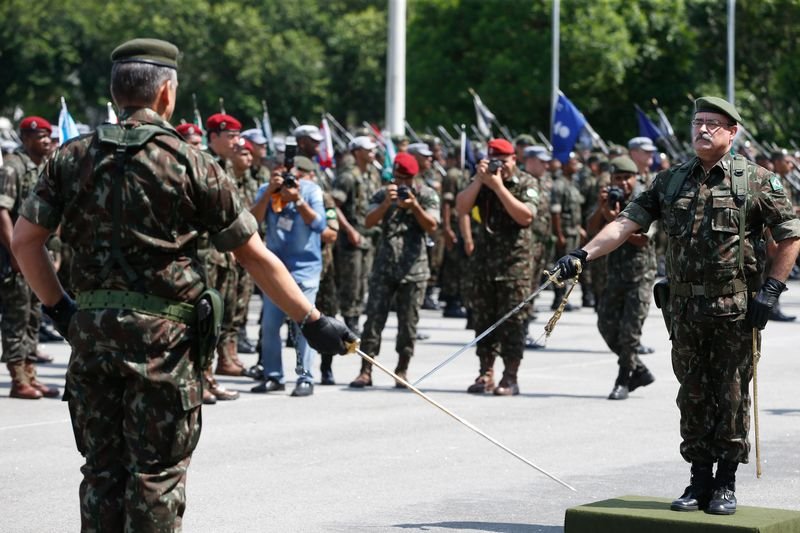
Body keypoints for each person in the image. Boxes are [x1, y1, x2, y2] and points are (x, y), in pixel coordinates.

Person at [11, 38, 355, 530]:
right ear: (166, 93)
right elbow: (254, 256)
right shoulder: (192, 163)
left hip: (92, 340)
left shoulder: (71, 157)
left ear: (116, 93)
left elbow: (26, 242)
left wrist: (61, 310)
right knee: (155, 477)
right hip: (165, 348)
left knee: (102, 474)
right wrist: (313, 320)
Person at [555, 96, 800, 515]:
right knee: (693, 394)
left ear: (732, 131)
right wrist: (583, 254)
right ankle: (698, 479)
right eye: (698, 122)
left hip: (736, 310)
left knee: (732, 393)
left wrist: (772, 289)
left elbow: (791, 235)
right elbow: (624, 224)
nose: (702, 130)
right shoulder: (670, 181)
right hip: (684, 309)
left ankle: (725, 482)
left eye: (712, 124)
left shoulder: (755, 180)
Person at [348, 152, 440, 388]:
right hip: (384, 268)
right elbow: (367, 222)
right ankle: (366, 370)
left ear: (414, 177)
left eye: (405, 179)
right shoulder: (382, 194)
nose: (401, 184)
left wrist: (414, 206)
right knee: (373, 322)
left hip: (414, 269)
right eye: (397, 178)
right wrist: (387, 204)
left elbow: (432, 226)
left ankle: (402, 369)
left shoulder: (427, 194)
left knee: (408, 324)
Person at [456, 138, 538, 396]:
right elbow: (461, 208)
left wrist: (499, 187)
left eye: (503, 161)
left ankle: (510, 376)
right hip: (484, 265)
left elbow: (525, 217)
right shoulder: (481, 181)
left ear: (514, 159)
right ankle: (485, 372)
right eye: (494, 160)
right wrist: (480, 181)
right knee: (483, 320)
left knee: (514, 322)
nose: (498, 166)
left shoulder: (526, 183)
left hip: (515, 265)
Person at [249, 155, 329, 397]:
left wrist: (298, 201)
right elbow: (251, 222)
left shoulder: (311, 191)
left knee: (304, 325)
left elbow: (320, 225)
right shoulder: (266, 190)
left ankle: (305, 378)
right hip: (274, 270)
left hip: (305, 271)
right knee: (270, 326)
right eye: (278, 172)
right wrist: (267, 194)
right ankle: (273, 376)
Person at [585, 156, 656, 400]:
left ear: (635, 178)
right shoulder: (610, 199)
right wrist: (603, 209)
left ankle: (624, 378)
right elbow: (591, 229)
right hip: (614, 274)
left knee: (630, 331)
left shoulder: (646, 200)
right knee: (605, 324)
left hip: (641, 274)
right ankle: (638, 370)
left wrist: (617, 222)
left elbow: (642, 240)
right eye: (618, 178)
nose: (622, 183)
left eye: (627, 178)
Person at [0, 116, 59, 399]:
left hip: (35, 253)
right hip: (16, 255)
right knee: (17, 316)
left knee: (33, 314)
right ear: (25, 139)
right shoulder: (13, 167)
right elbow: (2, 212)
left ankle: (30, 373)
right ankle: (17, 378)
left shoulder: (40, 168)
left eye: (48, 135)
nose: (46, 140)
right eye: (39, 136)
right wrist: (15, 251)